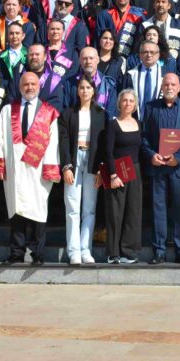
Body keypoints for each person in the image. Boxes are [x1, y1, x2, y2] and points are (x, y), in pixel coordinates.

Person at [0, 72, 62, 266]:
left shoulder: (49, 112)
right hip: (14, 168)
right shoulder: (7, 110)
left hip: (38, 169)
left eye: (33, 84)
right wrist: (0, 164)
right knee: (16, 210)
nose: (29, 87)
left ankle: (38, 253)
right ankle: (16, 252)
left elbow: (53, 142)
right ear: (20, 87)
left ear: (39, 86)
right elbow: (0, 138)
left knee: (38, 209)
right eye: (26, 84)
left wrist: (49, 167)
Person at [141, 73, 180, 264]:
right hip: (158, 166)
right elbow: (144, 136)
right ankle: (159, 250)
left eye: (173, 84)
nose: (169, 87)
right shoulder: (150, 107)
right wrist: (151, 155)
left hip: (179, 167)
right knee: (158, 209)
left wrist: (178, 157)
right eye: (166, 84)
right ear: (161, 86)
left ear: (179, 87)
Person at [57, 77, 107, 265]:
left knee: (89, 208)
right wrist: (66, 166)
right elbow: (62, 141)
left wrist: (102, 169)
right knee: (72, 207)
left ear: (94, 91)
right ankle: (74, 251)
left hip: (93, 161)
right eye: (82, 88)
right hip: (73, 159)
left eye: (88, 87)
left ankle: (86, 249)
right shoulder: (68, 114)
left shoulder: (101, 114)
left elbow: (104, 144)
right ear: (77, 91)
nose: (85, 91)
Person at [104, 90, 144, 264]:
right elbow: (108, 152)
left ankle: (129, 252)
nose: (128, 103)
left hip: (135, 170)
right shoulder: (113, 124)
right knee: (115, 212)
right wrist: (113, 175)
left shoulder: (139, 124)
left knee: (133, 211)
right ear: (119, 103)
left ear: (135, 105)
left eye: (131, 101)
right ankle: (113, 253)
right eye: (125, 100)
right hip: (117, 170)